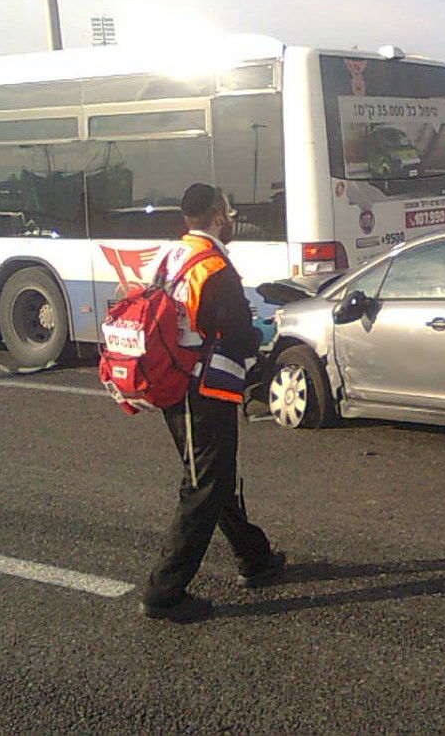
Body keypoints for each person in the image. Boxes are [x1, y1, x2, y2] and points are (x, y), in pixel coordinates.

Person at [140, 183, 285, 623]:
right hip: (204, 391)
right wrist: (263, 333)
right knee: (204, 483)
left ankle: (253, 557)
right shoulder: (215, 266)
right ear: (218, 216)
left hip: (173, 383)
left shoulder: (169, 257)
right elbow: (240, 335)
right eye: (230, 209)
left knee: (214, 475)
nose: (233, 216)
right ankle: (163, 591)